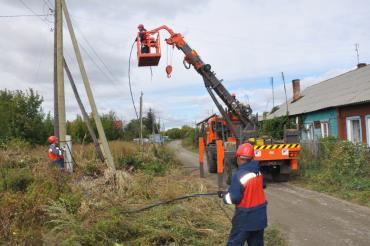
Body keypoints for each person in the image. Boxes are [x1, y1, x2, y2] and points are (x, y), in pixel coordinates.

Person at [218, 143, 267, 246]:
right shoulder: (258, 172)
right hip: (260, 217)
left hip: (245, 218)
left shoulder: (239, 175)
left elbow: (234, 198)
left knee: (234, 243)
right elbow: (261, 186)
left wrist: (224, 196)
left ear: (239, 158)